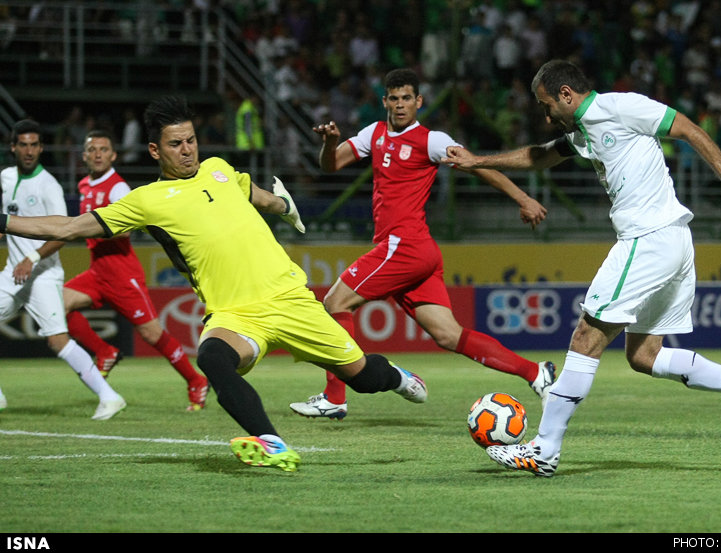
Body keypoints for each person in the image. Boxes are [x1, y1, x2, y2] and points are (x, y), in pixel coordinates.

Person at [0, 96, 427, 472]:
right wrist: (5, 222)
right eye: (174, 144)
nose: (186, 150)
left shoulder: (219, 169)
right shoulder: (146, 200)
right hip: (235, 312)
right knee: (213, 357)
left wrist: (281, 205)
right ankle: (271, 442)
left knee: (362, 377)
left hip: (290, 298)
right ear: (154, 150)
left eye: (190, 141)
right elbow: (71, 226)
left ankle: (398, 377)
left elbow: (253, 192)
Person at [443, 59, 721, 477]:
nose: (546, 116)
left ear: (567, 94)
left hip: (648, 238)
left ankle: (544, 450)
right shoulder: (582, 131)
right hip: (671, 239)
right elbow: (539, 157)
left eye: (547, 106)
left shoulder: (621, 107)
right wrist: (478, 162)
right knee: (644, 355)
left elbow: (689, 129)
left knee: (585, 337)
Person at [290, 68, 556, 421]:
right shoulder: (376, 134)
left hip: (404, 246)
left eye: (407, 99)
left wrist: (523, 198)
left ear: (418, 102)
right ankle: (536, 373)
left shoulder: (430, 140)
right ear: (384, 101)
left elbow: (475, 165)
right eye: (394, 99)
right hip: (418, 252)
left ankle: (334, 397)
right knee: (448, 335)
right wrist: (328, 143)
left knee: (335, 301)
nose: (400, 106)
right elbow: (331, 164)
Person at [63, 129, 209, 411]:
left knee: (152, 334)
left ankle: (195, 381)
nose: (97, 155)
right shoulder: (84, 185)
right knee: (57, 305)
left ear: (113, 155)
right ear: (84, 156)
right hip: (97, 272)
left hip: (122, 274)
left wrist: (93, 228)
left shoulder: (118, 188)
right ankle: (105, 350)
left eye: (104, 150)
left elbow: (127, 229)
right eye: (92, 150)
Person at [0, 119, 126, 420]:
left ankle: (110, 397)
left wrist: (31, 257)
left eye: (34, 145)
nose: (29, 151)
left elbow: (64, 235)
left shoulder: (49, 186)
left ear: (41, 148)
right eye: (24, 145)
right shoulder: (5, 177)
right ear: (13, 147)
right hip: (13, 274)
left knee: (57, 340)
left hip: (42, 275)